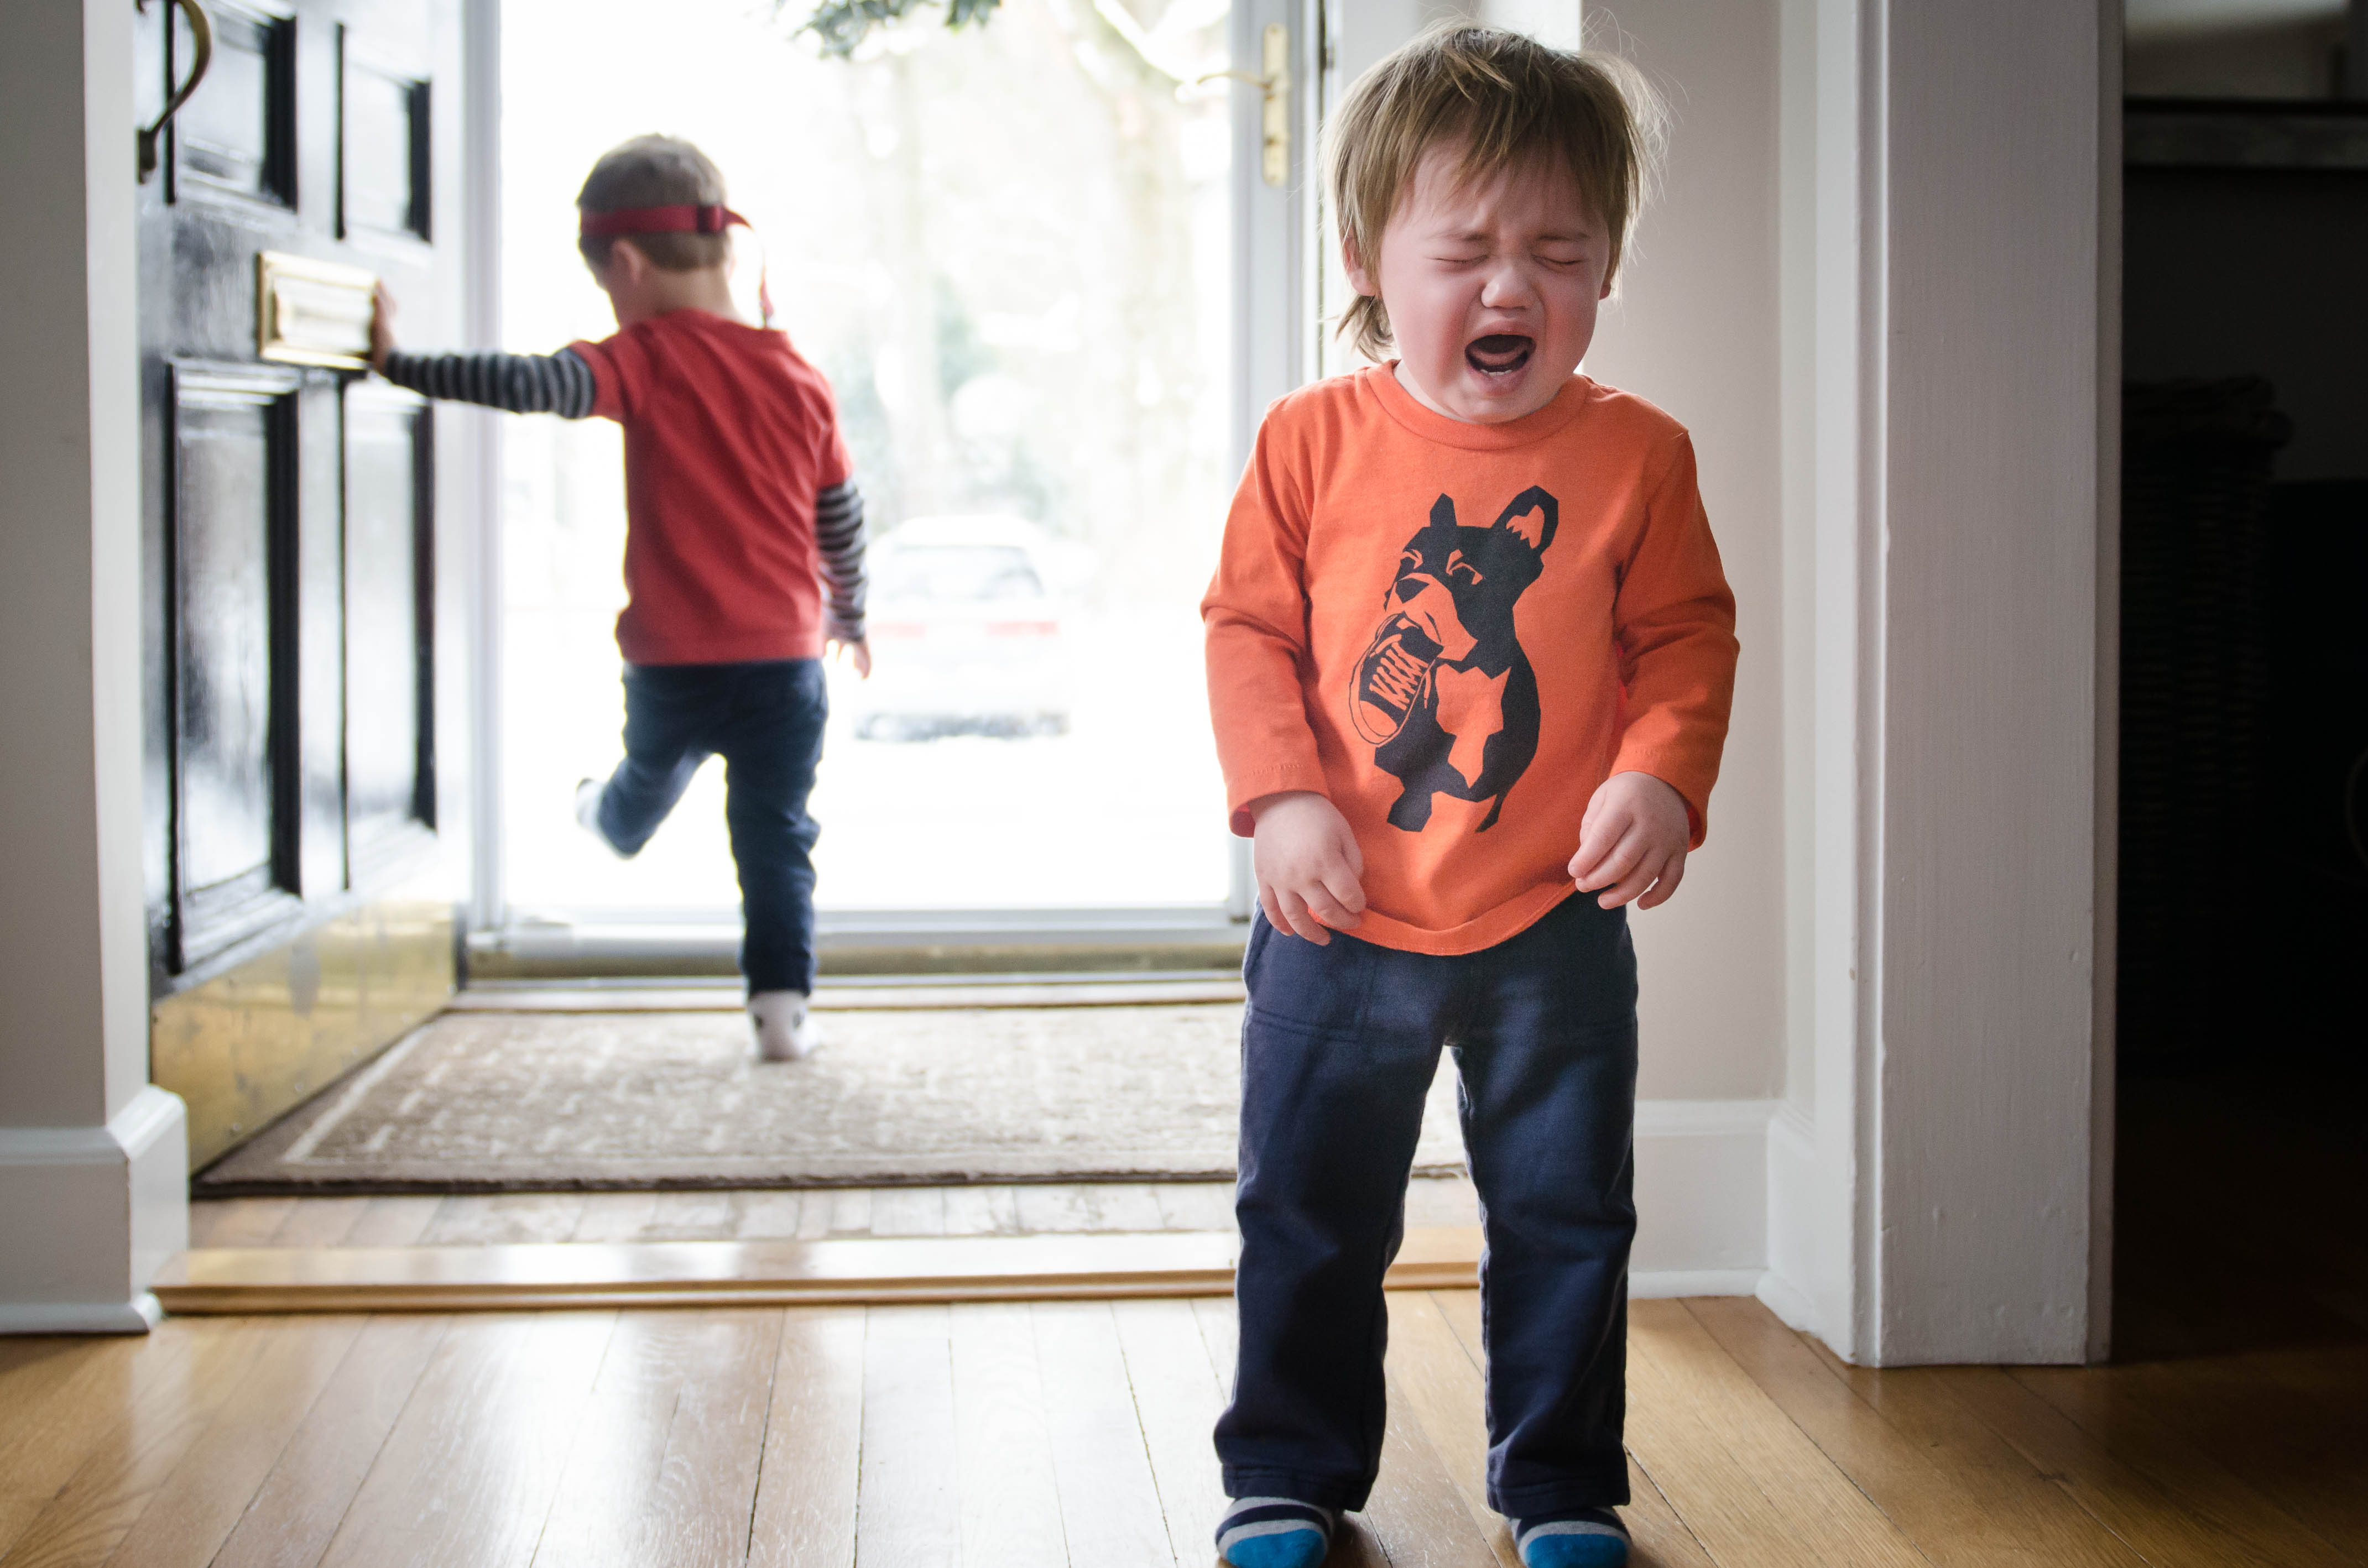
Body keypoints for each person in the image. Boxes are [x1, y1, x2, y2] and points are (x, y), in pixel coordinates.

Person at [1201, 27, 1738, 1568]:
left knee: (1566, 1211)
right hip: (1338, 915)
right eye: (1465, 254)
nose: (1512, 287)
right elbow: (1245, 629)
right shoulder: (1310, 442)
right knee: (1307, 1208)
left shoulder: (1639, 456)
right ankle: (1287, 1467)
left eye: (1558, 252)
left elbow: (1684, 636)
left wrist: (1660, 774)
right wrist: (1281, 797)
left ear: (1606, 263)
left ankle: (1559, 1478)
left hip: (1549, 917)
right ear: (1368, 262)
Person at [370, 134, 867, 1063]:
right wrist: (851, 611)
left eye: (606, 285)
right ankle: (781, 1013)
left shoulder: (643, 357)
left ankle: (608, 820)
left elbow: (531, 384)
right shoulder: (799, 375)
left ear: (626, 265)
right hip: (786, 662)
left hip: (675, 661)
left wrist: (402, 365)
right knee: (775, 837)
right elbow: (838, 510)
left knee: (644, 785)